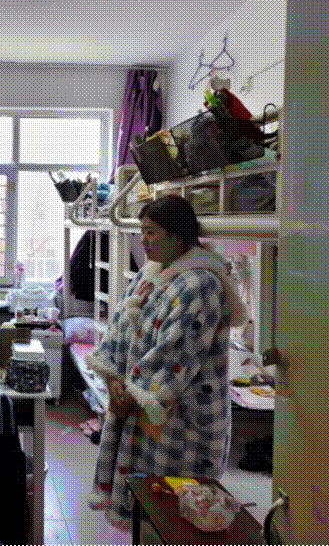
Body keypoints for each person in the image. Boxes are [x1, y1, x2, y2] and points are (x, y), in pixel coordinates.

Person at [85, 195, 246, 529]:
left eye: (151, 232)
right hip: (138, 400)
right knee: (146, 505)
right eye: (142, 231)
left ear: (177, 236)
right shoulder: (151, 273)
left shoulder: (201, 285)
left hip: (182, 417)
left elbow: (176, 353)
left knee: (176, 514)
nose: (143, 241)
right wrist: (113, 380)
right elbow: (119, 324)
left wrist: (131, 393)